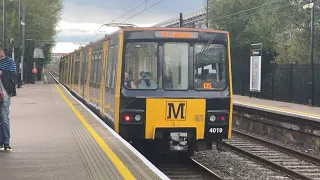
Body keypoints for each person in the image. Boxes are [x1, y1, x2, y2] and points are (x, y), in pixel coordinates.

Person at [0, 43, 17, 151]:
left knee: (4, 116)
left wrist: (2, 73)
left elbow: (13, 76)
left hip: (4, 94)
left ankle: (6, 142)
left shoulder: (9, 61)